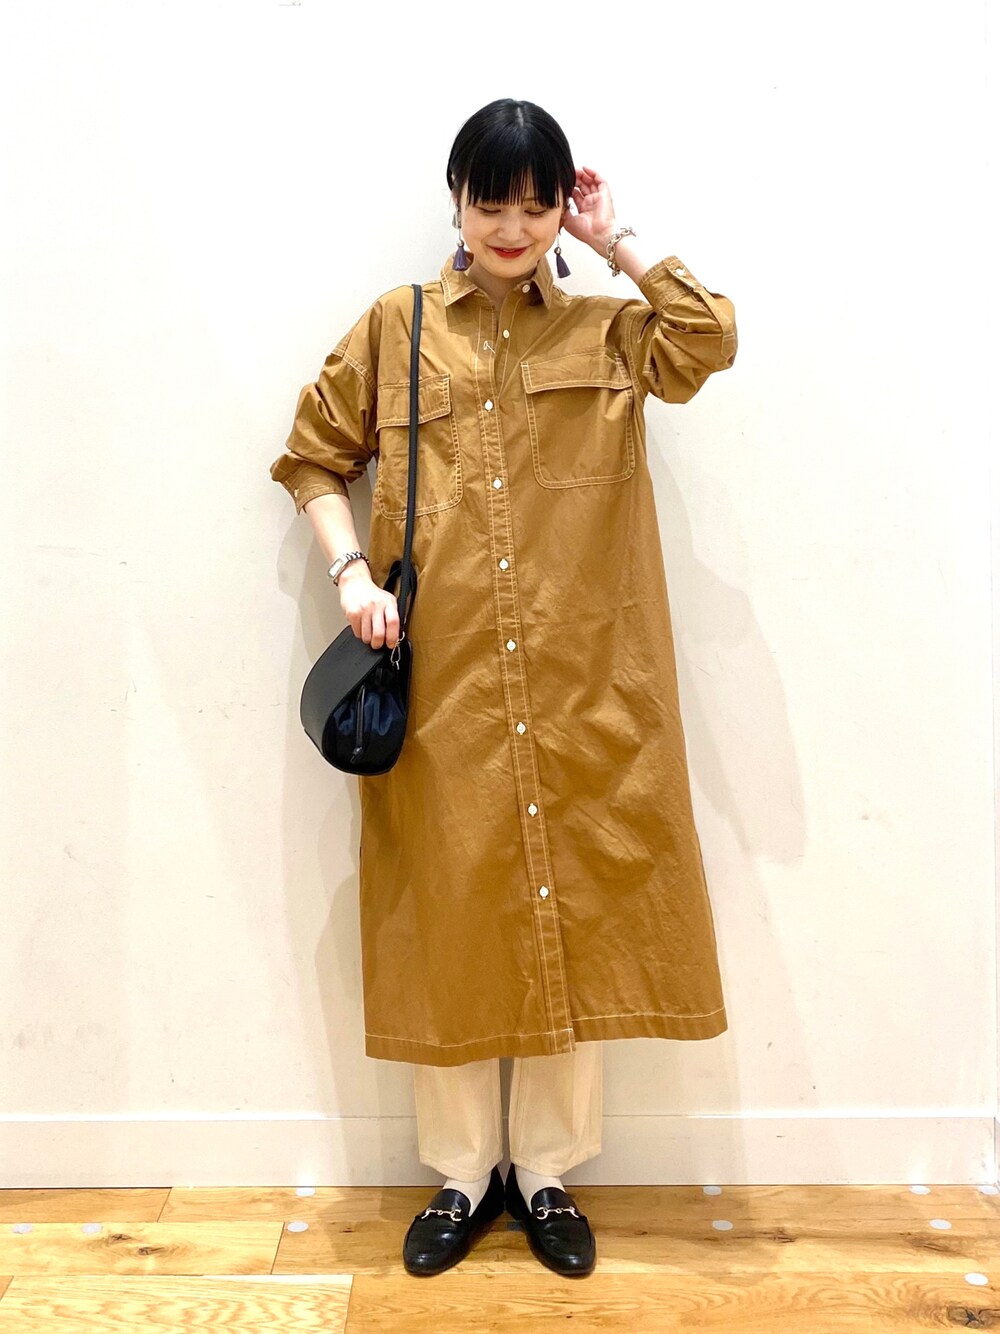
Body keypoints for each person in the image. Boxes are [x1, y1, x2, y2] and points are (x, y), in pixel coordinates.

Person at [270, 98, 737, 1280]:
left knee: (574, 915)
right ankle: (461, 1173)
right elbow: (312, 454)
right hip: (451, 695)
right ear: (457, 201)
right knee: (453, 918)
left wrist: (616, 238)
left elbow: (707, 340)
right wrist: (348, 573)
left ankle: (546, 1172)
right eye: (493, 203)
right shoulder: (398, 327)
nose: (514, 228)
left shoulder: (607, 330)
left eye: (537, 206)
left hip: (588, 689)